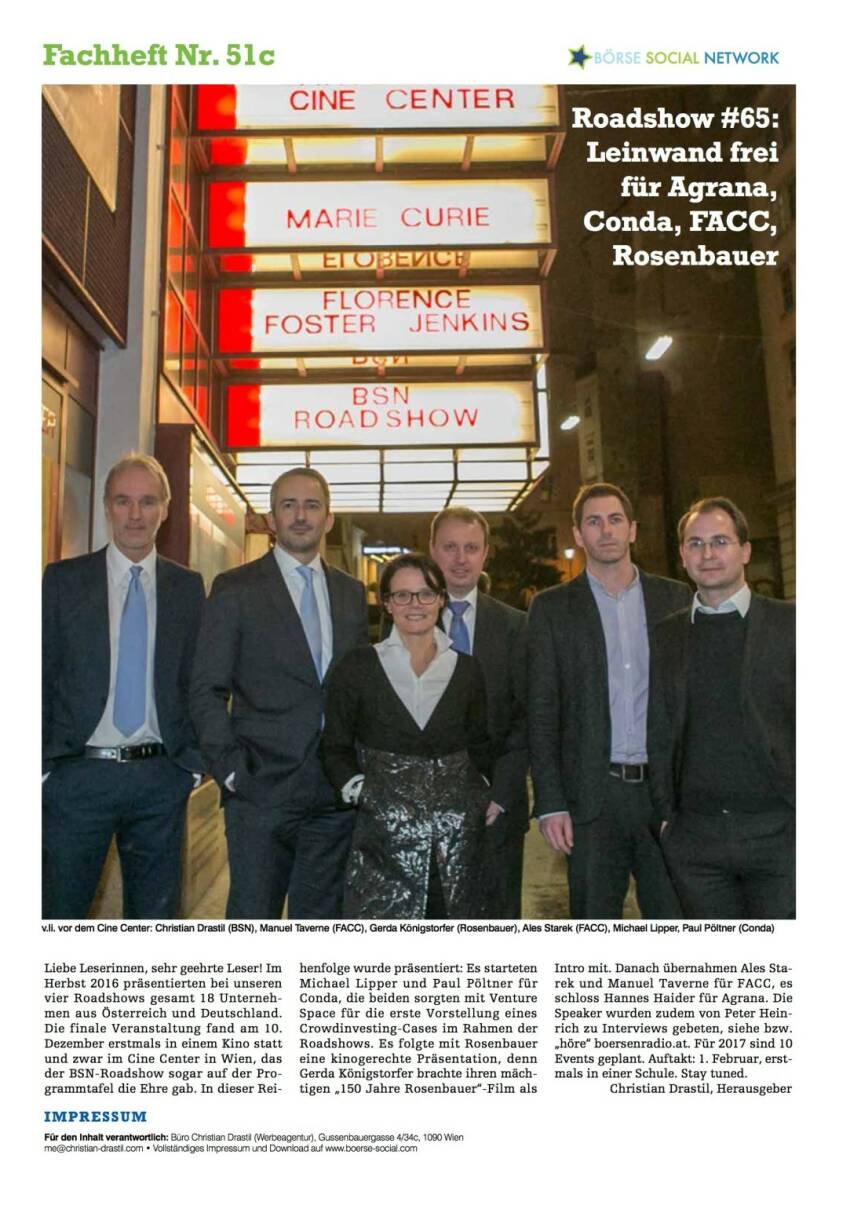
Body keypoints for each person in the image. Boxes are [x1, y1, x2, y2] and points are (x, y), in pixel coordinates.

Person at [190, 468, 368, 920]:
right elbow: (207, 688)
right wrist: (230, 771)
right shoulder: (235, 589)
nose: (300, 516)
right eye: (288, 505)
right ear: (272, 519)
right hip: (259, 791)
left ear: (329, 519)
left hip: (333, 797)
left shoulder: (351, 593)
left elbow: (358, 690)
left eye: (311, 506)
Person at [42, 453, 205, 919]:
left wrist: (191, 767)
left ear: (165, 509)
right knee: (59, 914)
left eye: (148, 502)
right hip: (77, 777)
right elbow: (38, 671)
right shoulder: (64, 581)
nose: (135, 514)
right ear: (106, 507)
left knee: (154, 922)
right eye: (123, 501)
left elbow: (199, 681)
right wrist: (43, 766)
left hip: (160, 780)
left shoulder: (187, 588)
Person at [528, 483, 690, 919]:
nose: (606, 530)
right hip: (592, 798)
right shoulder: (551, 609)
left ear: (632, 529)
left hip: (663, 795)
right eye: (594, 522)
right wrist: (550, 802)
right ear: (578, 534)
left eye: (615, 520)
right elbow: (542, 711)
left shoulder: (675, 599)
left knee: (675, 918)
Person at [321, 554, 492, 919]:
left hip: (455, 846)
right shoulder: (356, 667)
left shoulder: (467, 670)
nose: (415, 604)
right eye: (402, 595)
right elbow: (335, 746)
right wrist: (363, 793)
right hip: (380, 845)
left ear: (441, 599)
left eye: (425, 594)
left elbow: (481, 746)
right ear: (386, 603)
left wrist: (474, 801)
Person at [649, 497, 795, 918]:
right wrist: (666, 817)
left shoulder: (791, 626)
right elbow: (658, 728)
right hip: (695, 842)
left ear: (744, 550)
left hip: (780, 834)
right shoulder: (666, 635)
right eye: (695, 543)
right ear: (682, 555)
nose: (707, 553)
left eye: (720, 541)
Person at [429, 506, 529, 918]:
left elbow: (526, 718)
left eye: (471, 548)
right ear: (433, 551)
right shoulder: (404, 621)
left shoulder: (516, 627)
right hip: (428, 814)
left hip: (497, 812)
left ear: (485, 553)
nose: (460, 558)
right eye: (450, 547)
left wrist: (501, 794)